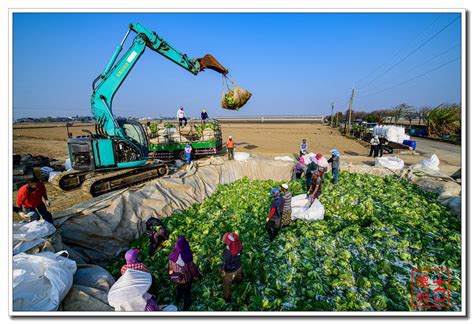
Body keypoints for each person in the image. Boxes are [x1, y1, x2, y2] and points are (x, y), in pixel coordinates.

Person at [168, 236, 201, 311]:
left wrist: (171, 274)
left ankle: (177, 299)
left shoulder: (172, 255)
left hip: (176, 277)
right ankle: (186, 305)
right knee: (187, 292)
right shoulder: (186, 256)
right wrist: (197, 275)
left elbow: (170, 268)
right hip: (186, 279)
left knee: (179, 288)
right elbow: (192, 268)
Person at [221, 232, 243, 303]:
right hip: (238, 266)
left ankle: (227, 299)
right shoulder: (239, 245)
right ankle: (239, 283)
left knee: (227, 284)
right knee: (238, 276)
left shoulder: (228, 251)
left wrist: (223, 269)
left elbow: (225, 262)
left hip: (230, 270)